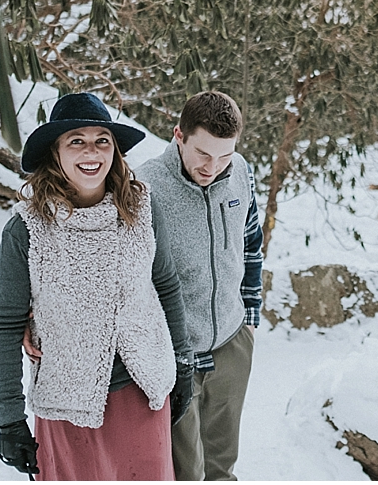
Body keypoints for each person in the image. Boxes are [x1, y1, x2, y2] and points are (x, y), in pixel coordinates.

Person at [0, 92, 194, 480]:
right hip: (66, 407)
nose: (92, 152)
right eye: (76, 141)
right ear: (55, 152)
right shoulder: (27, 230)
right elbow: (4, 325)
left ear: (115, 150)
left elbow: (165, 284)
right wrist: (10, 420)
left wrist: (182, 364)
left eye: (102, 140)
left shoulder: (142, 209)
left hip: (143, 394)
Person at [134, 90, 263, 481]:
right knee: (185, 473)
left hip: (231, 343)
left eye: (224, 155)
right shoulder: (144, 187)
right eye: (203, 154)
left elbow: (251, 242)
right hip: (175, 355)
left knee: (223, 468)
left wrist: (250, 314)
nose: (213, 166)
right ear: (179, 135)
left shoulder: (239, 170)